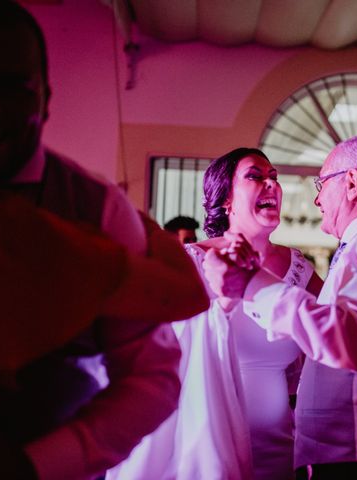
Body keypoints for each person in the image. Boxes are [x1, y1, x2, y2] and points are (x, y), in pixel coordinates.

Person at [0, 1, 203, 477]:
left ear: (46, 98)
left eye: (11, 87)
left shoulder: (97, 210)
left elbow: (152, 378)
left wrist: (36, 464)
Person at [204, 135, 357, 479]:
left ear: (351, 183)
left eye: (322, 183)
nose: (316, 198)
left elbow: (352, 341)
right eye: (257, 176)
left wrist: (253, 285)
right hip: (346, 448)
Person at [109, 148, 322, 480]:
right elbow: (156, 346)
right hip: (200, 443)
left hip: (278, 447)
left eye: (274, 177)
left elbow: (330, 336)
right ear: (226, 199)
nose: (271, 184)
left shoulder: (299, 270)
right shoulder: (189, 261)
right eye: (255, 176)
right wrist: (221, 306)